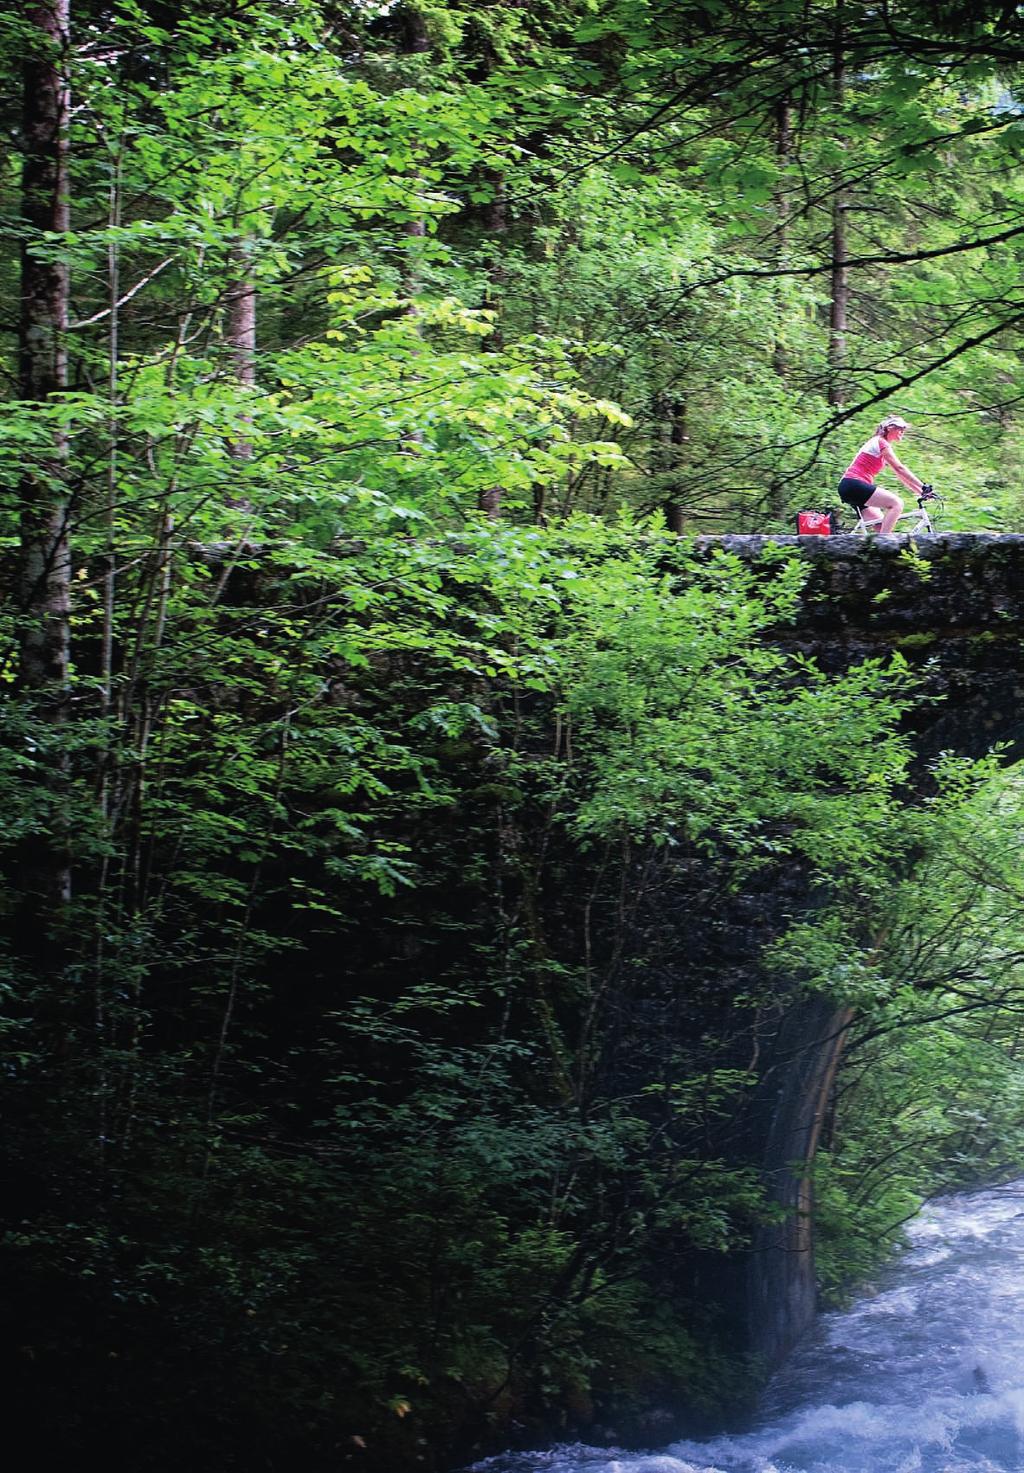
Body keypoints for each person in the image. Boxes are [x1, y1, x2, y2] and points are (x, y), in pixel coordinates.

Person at [837, 415, 930, 533]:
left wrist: (920, 491)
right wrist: (923, 486)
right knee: (896, 504)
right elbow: (900, 468)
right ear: (890, 428)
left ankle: (876, 548)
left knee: (881, 526)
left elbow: (899, 474)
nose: (903, 432)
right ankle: (885, 544)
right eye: (900, 428)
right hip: (854, 484)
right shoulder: (881, 442)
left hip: (849, 487)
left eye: (904, 429)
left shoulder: (879, 443)